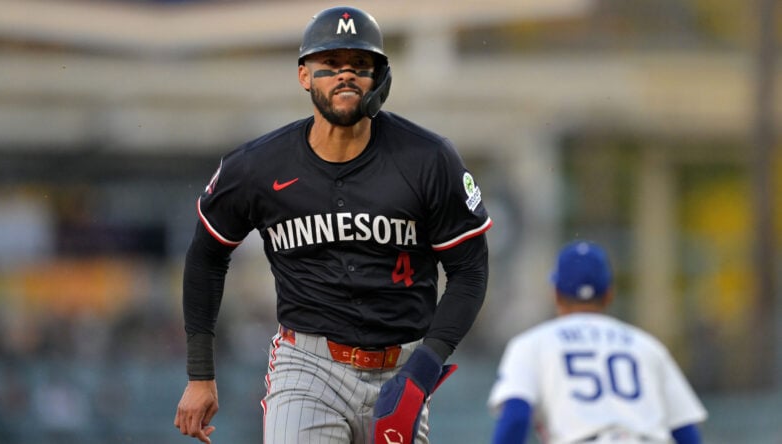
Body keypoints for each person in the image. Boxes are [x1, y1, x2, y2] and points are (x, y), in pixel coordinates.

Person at [173, 6, 492, 444]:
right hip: (308, 366)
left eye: (361, 64)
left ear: (381, 77)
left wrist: (424, 368)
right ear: (304, 75)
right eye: (330, 64)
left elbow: (470, 270)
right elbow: (207, 255)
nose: (346, 74)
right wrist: (200, 374)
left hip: (402, 368)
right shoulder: (258, 166)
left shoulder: (427, 159)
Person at [487, 241, 708, 444]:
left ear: (555, 293)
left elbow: (516, 417)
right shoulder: (647, 346)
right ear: (609, 294)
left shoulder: (531, 344)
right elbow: (684, 430)